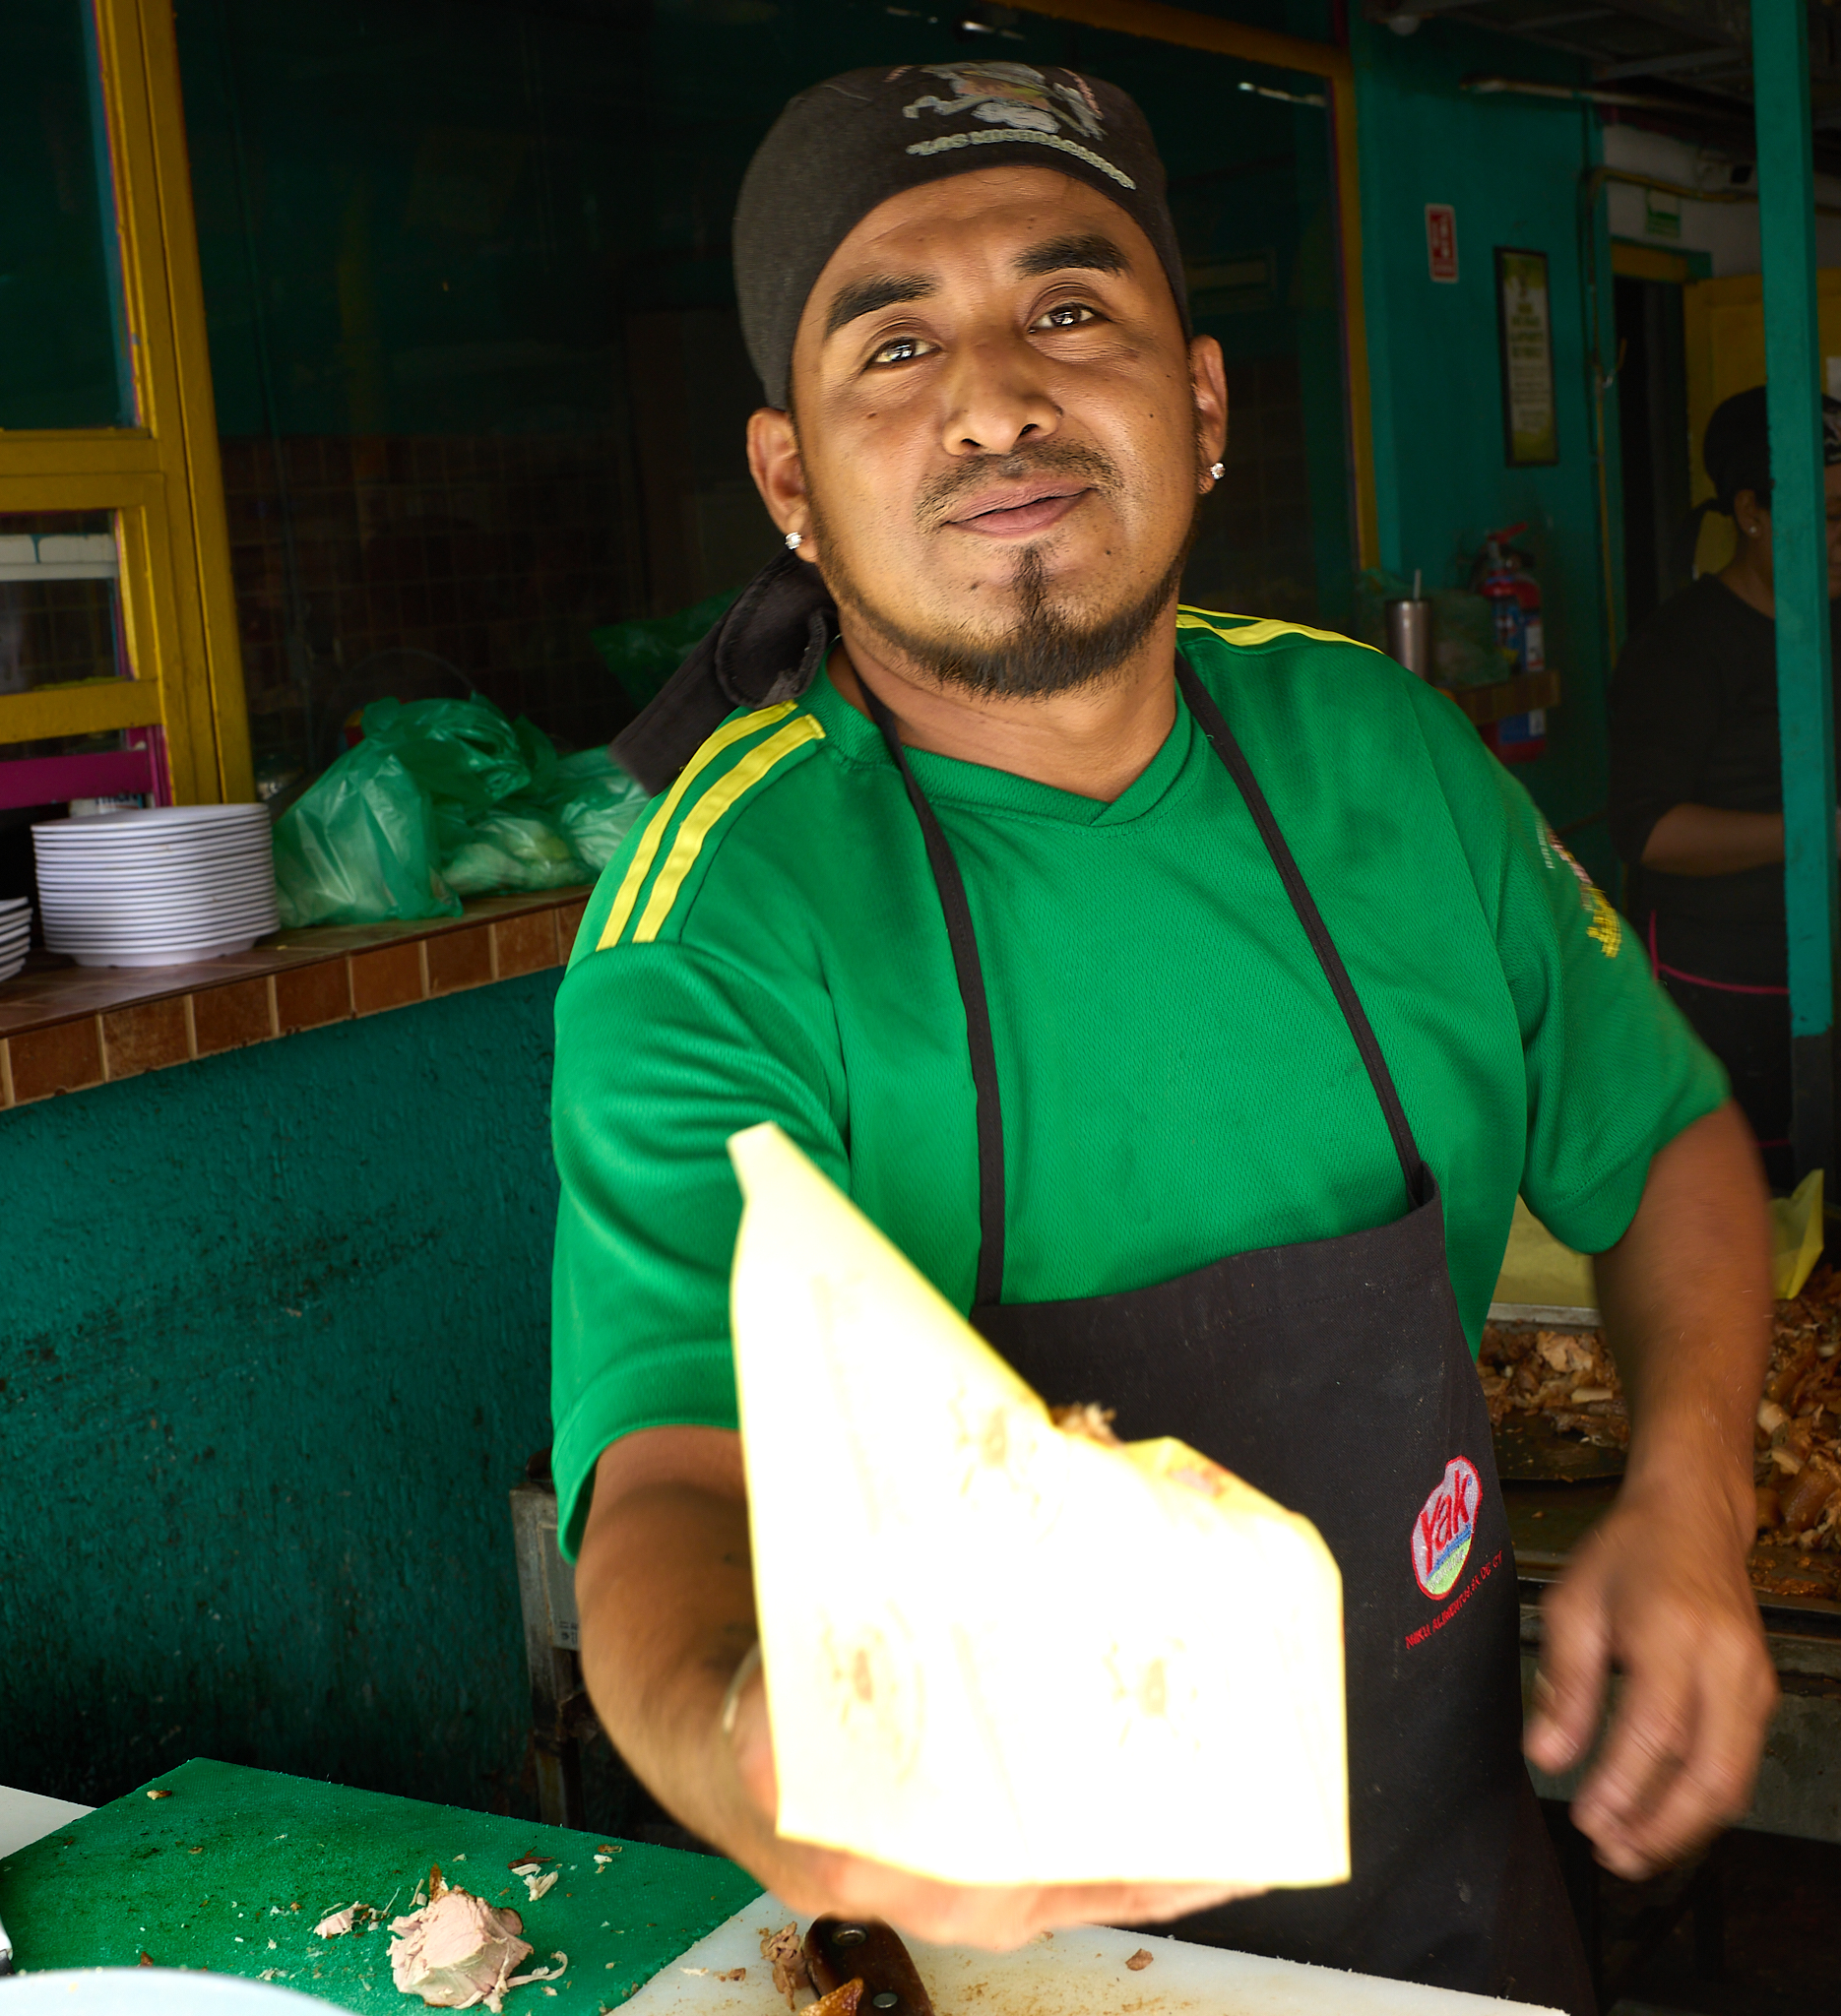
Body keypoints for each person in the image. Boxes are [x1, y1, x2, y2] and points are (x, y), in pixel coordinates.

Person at [550, 62, 1775, 2013]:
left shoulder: (1382, 759)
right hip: (1002, 1964)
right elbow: (670, 1480)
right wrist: (737, 1734)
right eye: (894, 345)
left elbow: (1664, 1149)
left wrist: (1688, 1490)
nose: (995, 398)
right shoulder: (724, 919)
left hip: (1461, 1895)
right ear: (792, 483)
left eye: (1068, 311)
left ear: (1198, 405)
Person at [1610, 388, 1841, 1183]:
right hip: (1724, 997)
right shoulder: (1685, 648)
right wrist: (1830, 830)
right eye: (1833, 514)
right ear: (1751, 510)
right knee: (1755, 1215)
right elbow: (1650, 831)